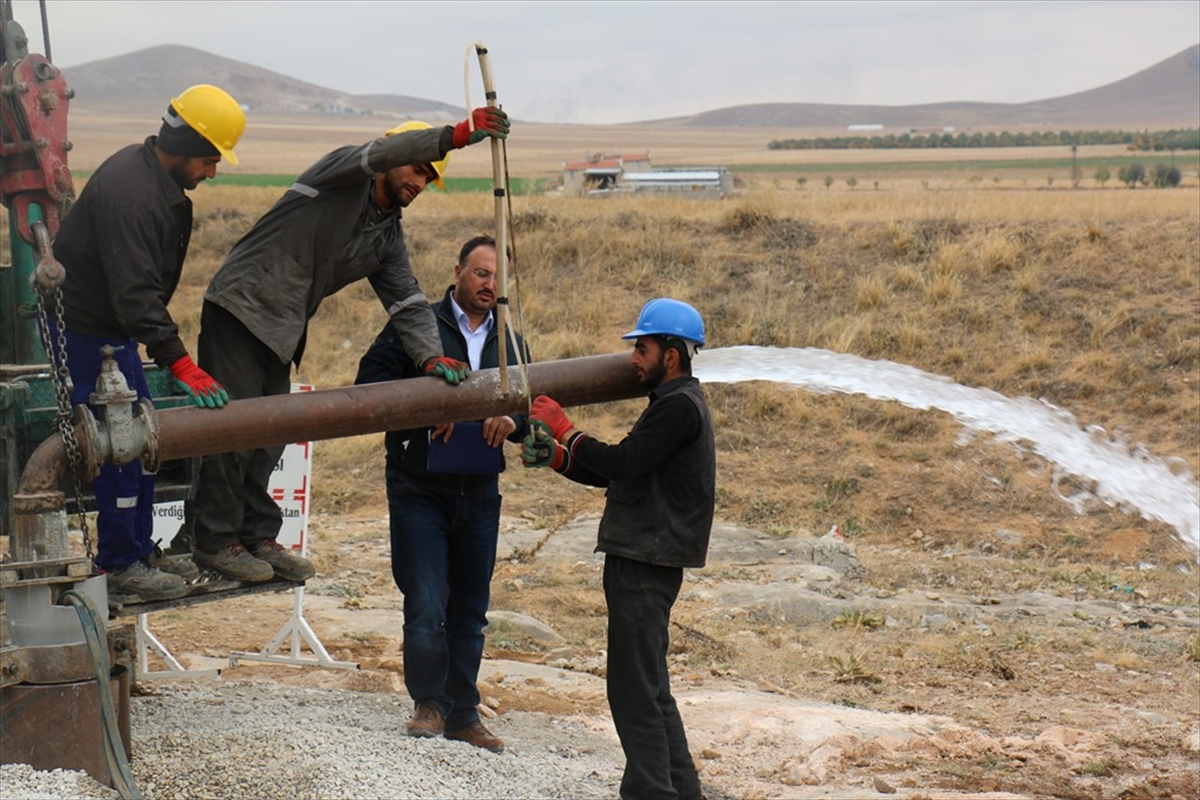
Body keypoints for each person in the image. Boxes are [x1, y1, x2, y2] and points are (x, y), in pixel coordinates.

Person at [188, 109, 510, 584]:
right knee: (233, 429)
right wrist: (456, 137)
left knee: (270, 434)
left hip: (281, 329)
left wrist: (430, 355)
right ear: (396, 157)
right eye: (418, 167)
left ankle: (256, 536)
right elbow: (379, 152)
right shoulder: (341, 173)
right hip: (240, 306)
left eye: (428, 177)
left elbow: (405, 300)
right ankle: (216, 541)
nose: (420, 182)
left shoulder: (387, 234)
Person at [51, 84, 246, 601]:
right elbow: (136, 294)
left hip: (108, 334)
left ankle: (136, 552)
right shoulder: (131, 194)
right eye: (208, 160)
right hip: (85, 335)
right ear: (183, 145)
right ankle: (118, 567)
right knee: (119, 444)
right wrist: (179, 362)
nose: (211, 172)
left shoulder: (152, 180)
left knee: (140, 441)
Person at [522, 298, 714, 799]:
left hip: (644, 562)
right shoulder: (674, 406)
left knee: (633, 692)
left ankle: (652, 792)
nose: (633, 359)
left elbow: (625, 461)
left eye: (642, 348)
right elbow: (620, 469)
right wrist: (560, 458)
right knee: (650, 688)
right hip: (647, 558)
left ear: (671, 356)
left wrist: (565, 427)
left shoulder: (676, 409)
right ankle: (680, 790)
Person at [354, 235, 529, 753]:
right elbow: (370, 385)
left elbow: (530, 403)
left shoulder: (511, 343)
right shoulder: (418, 327)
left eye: (497, 278)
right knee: (427, 602)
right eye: (480, 273)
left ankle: (463, 713)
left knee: (472, 609)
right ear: (457, 272)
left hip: (479, 491)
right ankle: (430, 704)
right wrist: (430, 409)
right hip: (419, 488)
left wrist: (511, 422)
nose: (488, 285)